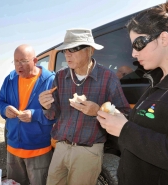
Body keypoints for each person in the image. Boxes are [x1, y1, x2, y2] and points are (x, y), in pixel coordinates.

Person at [97, 1, 168, 185]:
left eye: (138, 43)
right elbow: (155, 125)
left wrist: (125, 130)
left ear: (163, 39)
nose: (133, 53)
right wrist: (121, 120)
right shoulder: (159, 80)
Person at [39, 28, 130, 185]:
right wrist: (45, 106)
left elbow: (124, 115)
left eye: (74, 49)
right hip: (61, 147)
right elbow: (53, 113)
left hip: (88, 151)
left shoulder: (108, 78)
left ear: (90, 50)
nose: (68, 54)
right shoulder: (60, 76)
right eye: (66, 50)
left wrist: (98, 111)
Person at [0, 44, 55, 185]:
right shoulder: (9, 80)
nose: (18, 65)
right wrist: (5, 109)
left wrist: (34, 115)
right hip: (13, 150)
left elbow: (59, 113)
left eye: (23, 61)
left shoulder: (51, 81)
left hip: (39, 150)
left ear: (35, 61)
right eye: (16, 61)